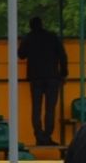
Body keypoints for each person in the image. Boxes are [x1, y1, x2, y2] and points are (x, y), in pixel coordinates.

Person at [19, 17, 69, 146]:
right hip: (52, 77)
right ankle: (47, 136)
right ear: (42, 24)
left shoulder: (29, 38)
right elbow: (63, 55)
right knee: (50, 109)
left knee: (36, 108)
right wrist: (63, 73)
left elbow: (21, 54)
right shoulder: (52, 37)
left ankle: (39, 136)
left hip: (35, 77)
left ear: (30, 26)